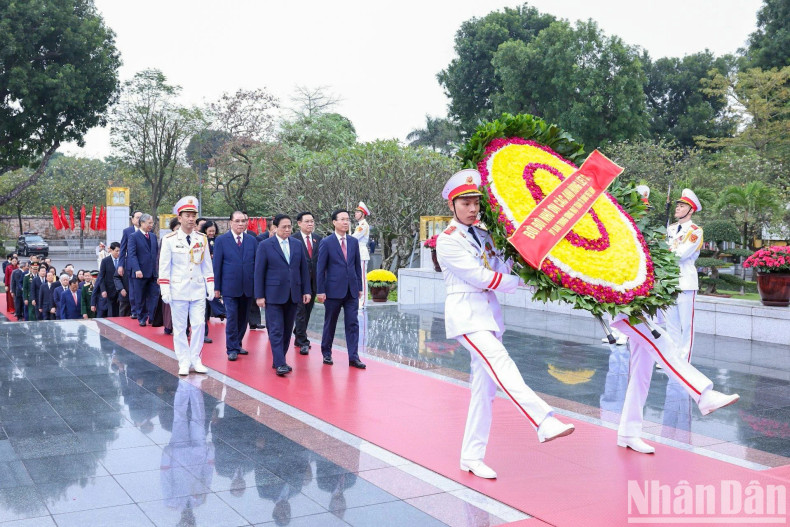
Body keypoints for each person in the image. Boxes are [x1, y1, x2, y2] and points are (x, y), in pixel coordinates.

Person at [435, 169, 575, 480]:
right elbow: (481, 277)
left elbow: (500, 264)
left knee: (483, 391)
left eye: (476, 202)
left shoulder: (485, 235)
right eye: (466, 202)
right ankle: (543, 420)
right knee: (501, 363)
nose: (473, 208)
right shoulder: (447, 241)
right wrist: (518, 283)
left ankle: (471, 456)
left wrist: (520, 253)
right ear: (452, 205)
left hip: (489, 317)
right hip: (467, 317)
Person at [158, 196, 215, 376]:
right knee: (180, 328)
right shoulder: (169, 239)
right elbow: (164, 267)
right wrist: (164, 290)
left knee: (199, 325)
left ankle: (196, 359)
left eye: (193, 215)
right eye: (187, 215)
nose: (191, 219)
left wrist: (211, 286)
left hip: (197, 290)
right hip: (178, 290)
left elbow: (207, 265)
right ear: (179, 217)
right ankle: (183, 361)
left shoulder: (202, 238)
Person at [254, 214, 311, 376]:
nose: (287, 230)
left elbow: (303, 270)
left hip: (293, 293)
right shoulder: (265, 245)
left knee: (287, 330)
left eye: (289, 227)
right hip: (273, 294)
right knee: (276, 330)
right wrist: (259, 295)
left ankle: (279, 359)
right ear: (275, 228)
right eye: (284, 227)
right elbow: (259, 272)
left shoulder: (297, 244)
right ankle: (280, 363)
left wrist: (306, 290)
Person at [316, 209, 366, 370]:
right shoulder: (326, 242)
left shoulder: (353, 241)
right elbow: (320, 268)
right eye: (342, 219)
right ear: (334, 222)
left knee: (353, 323)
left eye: (347, 219)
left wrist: (359, 286)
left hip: (351, 290)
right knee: (330, 322)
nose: (346, 222)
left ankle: (353, 357)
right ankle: (326, 352)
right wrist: (320, 290)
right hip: (333, 290)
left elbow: (357, 265)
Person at [665, 188, 703, 362]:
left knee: (686, 324)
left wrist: (667, 251)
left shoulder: (695, 231)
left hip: (686, 282)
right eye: (678, 205)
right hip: (669, 281)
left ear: (691, 210)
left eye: (682, 206)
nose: (678, 208)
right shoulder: (671, 229)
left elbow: (681, 254)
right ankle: (673, 358)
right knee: (671, 323)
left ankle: (684, 359)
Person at [214, 211, 257, 361]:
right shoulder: (221, 241)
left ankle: (238, 343)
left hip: (248, 286)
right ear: (230, 222)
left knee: (243, 318)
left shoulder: (252, 240)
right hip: (229, 287)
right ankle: (231, 348)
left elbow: (256, 265)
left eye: (243, 221)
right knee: (232, 317)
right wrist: (216, 287)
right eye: (237, 221)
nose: (241, 224)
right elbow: (217, 265)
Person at [291, 211, 322, 355]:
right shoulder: (293, 239)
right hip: (298, 282)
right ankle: (303, 340)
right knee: (300, 310)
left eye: (312, 221)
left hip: (314, 281)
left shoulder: (318, 239)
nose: (310, 224)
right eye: (307, 221)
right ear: (299, 223)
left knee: (308, 309)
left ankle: (298, 331)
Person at [127, 213, 159, 327]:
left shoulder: (154, 236)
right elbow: (132, 255)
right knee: (140, 297)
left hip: (153, 273)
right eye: (149, 223)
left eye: (152, 223)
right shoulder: (133, 236)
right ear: (142, 223)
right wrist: (137, 269)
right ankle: (142, 317)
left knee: (154, 295)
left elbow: (156, 255)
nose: (151, 225)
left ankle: (152, 317)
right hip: (140, 272)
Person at [118, 210, 142, 319]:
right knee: (132, 289)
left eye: (141, 217)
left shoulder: (146, 231)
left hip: (143, 264)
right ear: (132, 220)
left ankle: (142, 311)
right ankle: (134, 311)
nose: (139, 219)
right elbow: (123, 249)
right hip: (131, 264)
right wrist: (120, 265)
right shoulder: (127, 231)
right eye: (137, 217)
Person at [162, 217, 180, 335]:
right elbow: (161, 260)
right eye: (177, 228)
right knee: (170, 305)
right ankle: (169, 326)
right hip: (171, 277)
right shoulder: (167, 240)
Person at [352, 202, 371, 309]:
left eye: (357, 212)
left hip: (361, 253)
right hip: (357, 252)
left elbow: (354, 238)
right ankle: (360, 300)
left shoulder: (363, 225)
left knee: (362, 278)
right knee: (358, 277)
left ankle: (363, 301)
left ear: (362, 214)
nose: (355, 214)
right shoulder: (360, 225)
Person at [98, 242, 122, 317]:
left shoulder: (123, 260)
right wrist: (103, 290)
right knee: (111, 311)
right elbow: (101, 277)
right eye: (117, 251)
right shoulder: (105, 261)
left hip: (121, 289)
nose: (118, 253)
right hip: (110, 290)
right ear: (111, 250)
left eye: (120, 251)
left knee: (121, 310)